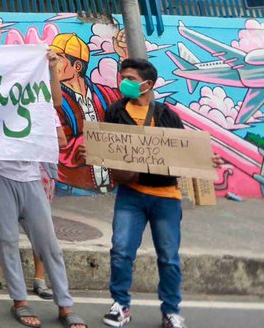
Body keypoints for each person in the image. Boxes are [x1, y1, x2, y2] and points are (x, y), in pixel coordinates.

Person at [95, 58, 222, 328]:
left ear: (147, 84)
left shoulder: (167, 116)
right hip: (130, 196)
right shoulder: (115, 112)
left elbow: (184, 152)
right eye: (122, 77)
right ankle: (120, 306)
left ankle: (171, 311)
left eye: (129, 78)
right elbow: (108, 149)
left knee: (168, 258)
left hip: (166, 197)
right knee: (120, 251)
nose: (123, 82)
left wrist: (205, 161)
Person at [0, 54, 84, 328]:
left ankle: (65, 305)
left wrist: (49, 67)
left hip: (33, 180)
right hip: (2, 179)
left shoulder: (37, 101)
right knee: (8, 240)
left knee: (48, 244)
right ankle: (20, 301)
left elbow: (56, 102)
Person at [51, 33, 120, 192]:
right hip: (74, 187)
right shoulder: (53, 99)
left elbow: (130, 107)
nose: (53, 64)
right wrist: (85, 144)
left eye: (59, 58)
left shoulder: (104, 94)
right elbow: (59, 141)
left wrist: (123, 58)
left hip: (112, 184)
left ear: (77, 67)